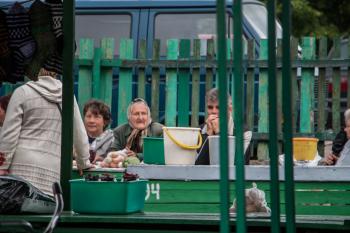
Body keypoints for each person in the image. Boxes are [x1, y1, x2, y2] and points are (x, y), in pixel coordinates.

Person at [0, 68, 92, 197]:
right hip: (52, 169)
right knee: (47, 210)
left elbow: (9, 135)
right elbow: (79, 133)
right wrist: (83, 162)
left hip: (21, 167)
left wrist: (2, 166)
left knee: (19, 209)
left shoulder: (22, 92)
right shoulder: (67, 95)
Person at [195, 88, 252, 165]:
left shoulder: (244, 132)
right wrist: (208, 136)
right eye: (210, 107)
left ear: (230, 109)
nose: (214, 111)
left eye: (219, 107)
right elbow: (197, 166)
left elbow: (236, 164)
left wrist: (220, 132)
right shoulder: (200, 130)